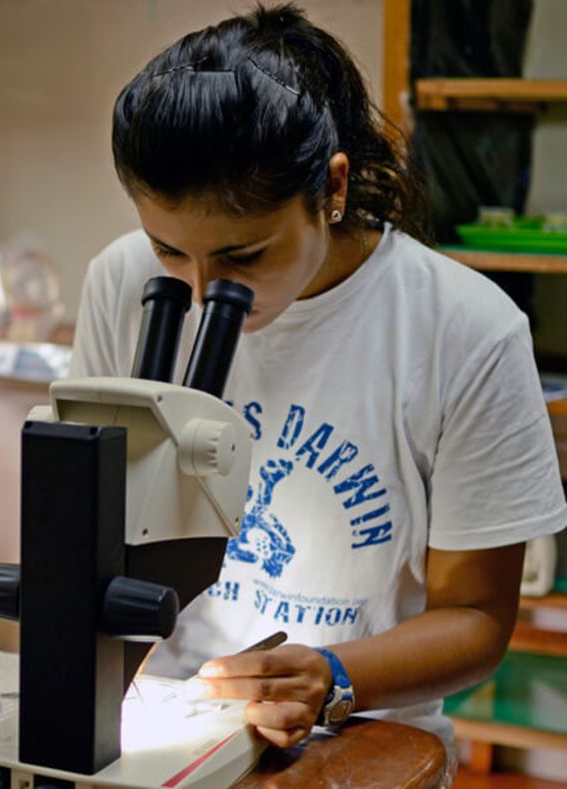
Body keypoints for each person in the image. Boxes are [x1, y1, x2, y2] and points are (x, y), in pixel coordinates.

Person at [69, 2, 567, 753]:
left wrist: (328, 675)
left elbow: (476, 618)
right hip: (166, 715)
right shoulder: (123, 282)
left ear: (331, 189)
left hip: (362, 734)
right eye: (169, 250)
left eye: (242, 258)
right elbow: (91, 533)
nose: (202, 295)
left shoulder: (464, 329)